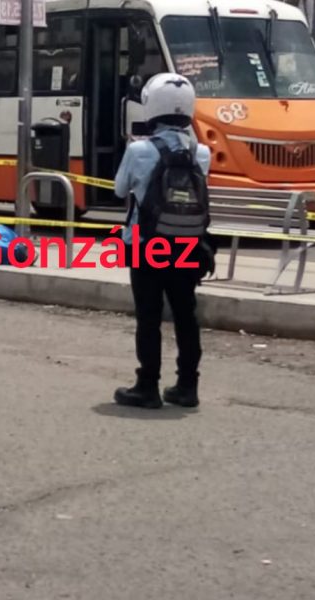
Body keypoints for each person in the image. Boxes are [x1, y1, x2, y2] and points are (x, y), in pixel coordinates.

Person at [113, 73, 212, 410]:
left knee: (149, 316)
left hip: (147, 244)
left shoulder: (139, 150)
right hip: (187, 244)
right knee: (186, 313)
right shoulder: (202, 152)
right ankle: (187, 386)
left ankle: (147, 387)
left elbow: (119, 190)